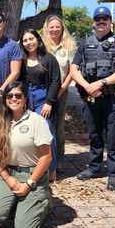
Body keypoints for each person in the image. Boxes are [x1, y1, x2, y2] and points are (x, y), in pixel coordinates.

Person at [70, 6, 115, 192]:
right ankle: (95, 168)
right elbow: (74, 70)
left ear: (110, 21)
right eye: (97, 18)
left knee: (113, 137)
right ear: (93, 22)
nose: (101, 21)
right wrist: (87, 87)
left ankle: (113, 174)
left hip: (111, 98)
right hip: (90, 98)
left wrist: (101, 83)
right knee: (94, 135)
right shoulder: (85, 43)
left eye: (104, 18)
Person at [0, 81, 53, 228]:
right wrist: (7, 178)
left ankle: (45, 202)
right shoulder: (0, 122)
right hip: (8, 172)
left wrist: (29, 184)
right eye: (9, 96)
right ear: (5, 99)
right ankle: (18, 202)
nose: (13, 99)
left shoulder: (36, 120)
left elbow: (46, 156)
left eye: (18, 96)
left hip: (32, 174)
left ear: (25, 98)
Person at [19, 29, 61, 179]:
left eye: (31, 39)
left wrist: (49, 102)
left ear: (38, 39)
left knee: (45, 130)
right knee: (27, 131)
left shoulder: (48, 58)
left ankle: (51, 171)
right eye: (25, 40)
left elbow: (56, 80)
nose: (29, 43)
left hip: (43, 97)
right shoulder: (21, 60)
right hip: (26, 97)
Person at [42, 15, 77, 173]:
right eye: (51, 27)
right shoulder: (42, 46)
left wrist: (60, 90)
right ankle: (42, 159)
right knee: (42, 125)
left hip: (61, 93)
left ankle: (58, 159)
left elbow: (71, 72)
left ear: (62, 28)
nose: (54, 29)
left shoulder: (68, 46)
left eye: (57, 26)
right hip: (42, 92)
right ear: (46, 28)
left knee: (58, 126)